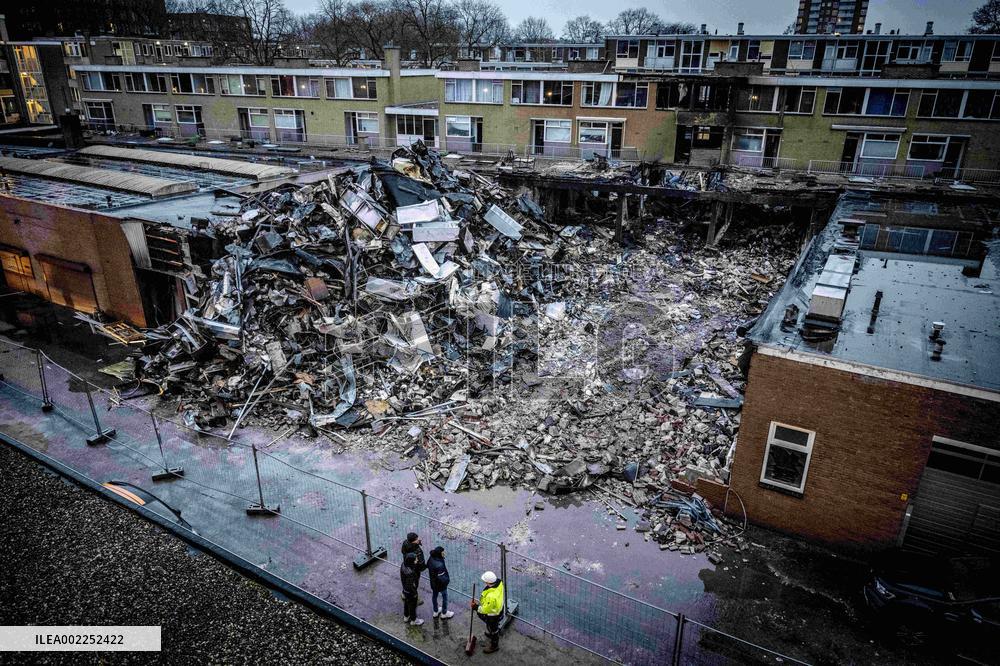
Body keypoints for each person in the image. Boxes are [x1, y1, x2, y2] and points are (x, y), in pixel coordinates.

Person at [470, 570, 504, 653]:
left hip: (493, 614)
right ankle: (493, 633)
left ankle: (494, 645)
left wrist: (475, 607)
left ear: (488, 582)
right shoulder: (499, 584)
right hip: (498, 609)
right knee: (493, 627)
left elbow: (485, 609)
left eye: (485, 581)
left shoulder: (491, 596)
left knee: (492, 628)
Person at [426, 546, 454, 619]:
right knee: (444, 597)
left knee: (434, 596)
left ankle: (435, 611)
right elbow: (442, 578)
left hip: (433, 583)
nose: (444, 553)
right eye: (443, 552)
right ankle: (444, 613)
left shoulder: (431, 558)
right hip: (441, 585)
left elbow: (427, 565)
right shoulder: (439, 564)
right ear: (439, 553)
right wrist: (447, 581)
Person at [400, 532, 426, 605]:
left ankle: (404, 594)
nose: (418, 539)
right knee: (414, 584)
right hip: (415, 569)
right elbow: (420, 561)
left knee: (405, 582)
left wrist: (417, 543)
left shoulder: (405, 543)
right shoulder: (416, 552)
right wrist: (423, 567)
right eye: (416, 539)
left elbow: (403, 552)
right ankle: (414, 599)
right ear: (413, 541)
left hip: (408, 565)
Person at [400, 552, 423, 626]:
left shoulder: (403, 565)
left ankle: (406, 616)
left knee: (407, 602)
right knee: (412, 605)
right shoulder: (410, 573)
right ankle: (414, 620)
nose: (417, 560)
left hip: (405, 590)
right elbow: (410, 585)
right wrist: (415, 594)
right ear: (411, 561)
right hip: (411, 592)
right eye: (415, 560)